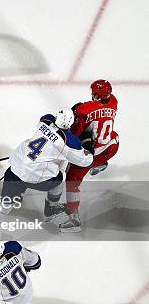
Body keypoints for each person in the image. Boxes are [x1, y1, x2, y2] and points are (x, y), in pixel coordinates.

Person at [0, 108, 93, 250]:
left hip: (16, 169)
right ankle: (51, 209)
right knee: (59, 177)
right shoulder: (68, 141)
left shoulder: (45, 120)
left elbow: (50, 122)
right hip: (36, 179)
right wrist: (87, 144)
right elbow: (86, 161)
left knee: (4, 205)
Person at [58, 79, 119, 232]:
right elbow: (98, 110)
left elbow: (76, 133)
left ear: (97, 96)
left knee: (72, 180)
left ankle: (74, 220)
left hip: (93, 153)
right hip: (111, 146)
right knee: (112, 138)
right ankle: (101, 163)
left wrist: (76, 115)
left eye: (93, 94)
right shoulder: (113, 101)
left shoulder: (84, 110)